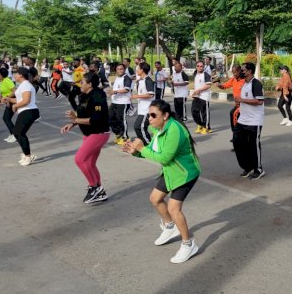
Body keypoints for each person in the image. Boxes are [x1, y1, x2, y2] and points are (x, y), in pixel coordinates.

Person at [123, 99, 202, 264]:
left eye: (153, 115)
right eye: (148, 115)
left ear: (165, 115)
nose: (150, 119)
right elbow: (154, 149)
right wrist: (135, 152)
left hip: (185, 173)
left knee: (174, 208)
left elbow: (164, 157)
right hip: (170, 171)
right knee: (155, 198)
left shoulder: (174, 130)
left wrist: (140, 149)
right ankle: (170, 227)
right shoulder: (158, 128)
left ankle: (189, 244)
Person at [60, 72, 111, 203]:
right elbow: (82, 114)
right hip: (88, 134)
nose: (80, 84)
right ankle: (100, 191)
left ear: (90, 84)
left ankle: (94, 187)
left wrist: (76, 119)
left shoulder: (98, 96)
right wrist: (72, 123)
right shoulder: (83, 96)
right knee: (89, 163)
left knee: (80, 159)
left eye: (82, 82)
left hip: (99, 133)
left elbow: (96, 119)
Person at [233, 62, 266, 179]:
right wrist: (239, 102)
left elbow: (259, 101)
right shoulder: (244, 84)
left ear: (249, 71)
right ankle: (248, 167)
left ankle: (258, 169)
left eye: (243, 70)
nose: (241, 72)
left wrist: (242, 100)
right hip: (243, 120)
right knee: (238, 143)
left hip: (254, 121)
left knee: (253, 145)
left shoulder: (256, 84)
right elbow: (244, 100)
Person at [4, 67, 40, 166]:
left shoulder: (26, 85)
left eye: (15, 74)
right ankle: (27, 154)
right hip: (26, 111)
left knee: (19, 133)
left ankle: (28, 156)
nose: (14, 76)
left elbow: (26, 101)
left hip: (29, 111)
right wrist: (8, 99)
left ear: (20, 75)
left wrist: (15, 105)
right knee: (17, 133)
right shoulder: (22, 85)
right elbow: (19, 99)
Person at [216, 65, 244, 148]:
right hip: (237, 105)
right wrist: (219, 85)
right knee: (233, 116)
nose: (234, 74)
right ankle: (236, 137)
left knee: (234, 114)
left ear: (240, 71)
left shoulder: (245, 80)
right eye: (233, 72)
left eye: (236, 72)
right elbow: (224, 86)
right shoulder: (233, 80)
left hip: (244, 104)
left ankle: (237, 139)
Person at [132, 62, 155, 145]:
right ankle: (144, 145)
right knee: (138, 127)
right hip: (142, 109)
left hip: (147, 109)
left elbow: (151, 94)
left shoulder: (148, 81)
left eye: (137, 68)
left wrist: (136, 96)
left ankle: (149, 145)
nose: (136, 70)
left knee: (139, 127)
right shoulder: (140, 81)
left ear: (142, 70)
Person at [109, 64, 132, 145]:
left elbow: (126, 89)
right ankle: (118, 134)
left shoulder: (127, 78)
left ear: (124, 69)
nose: (119, 71)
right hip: (115, 102)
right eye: (118, 69)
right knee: (110, 118)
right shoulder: (117, 78)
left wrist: (115, 92)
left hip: (123, 102)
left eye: (121, 69)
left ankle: (125, 137)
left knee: (121, 119)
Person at [0, 68, 18, 143]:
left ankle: (15, 135)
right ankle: (13, 134)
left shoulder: (7, 81)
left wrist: (8, 97)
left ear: (2, 75)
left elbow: (15, 91)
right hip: (8, 101)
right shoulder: (1, 81)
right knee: (6, 118)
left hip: (12, 100)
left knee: (6, 118)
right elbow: (1, 93)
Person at [191, 60, 213, 134]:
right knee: (194, 111)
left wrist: (199, 90)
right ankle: (200, 125)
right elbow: (196, 84)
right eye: (198, 66)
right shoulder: (195, 74)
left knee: (204, 113)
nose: (199, 67)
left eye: (201, 66)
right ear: (196, 66)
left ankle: (206, 127)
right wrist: (195, 92)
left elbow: (208, 85)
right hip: (197, 96)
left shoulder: (206, 74)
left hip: (204, 96)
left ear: (203, 67)